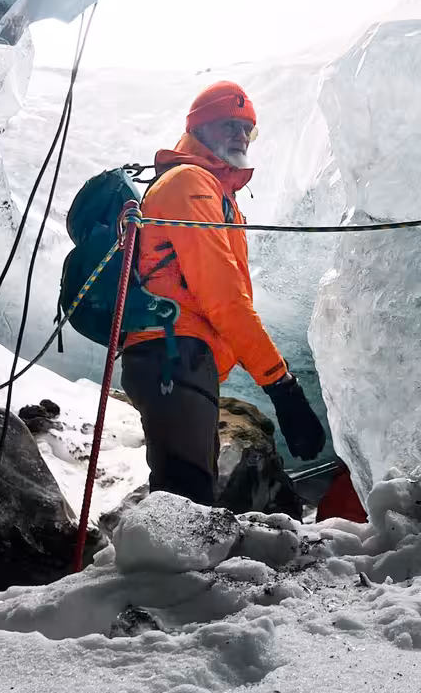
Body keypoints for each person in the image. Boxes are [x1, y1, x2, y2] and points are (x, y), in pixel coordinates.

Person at [121, 81, 329, 506]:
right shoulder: (191, 184)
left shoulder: (214, 193)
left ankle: (167, 569)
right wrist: (281, 385)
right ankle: (161, 573)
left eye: (246, 128)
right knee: (185, 501)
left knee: (190, 496)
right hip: (172, 353)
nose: (240, 135)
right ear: (199, 130)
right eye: (228, 124)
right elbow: (224, 298)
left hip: (177, 357)